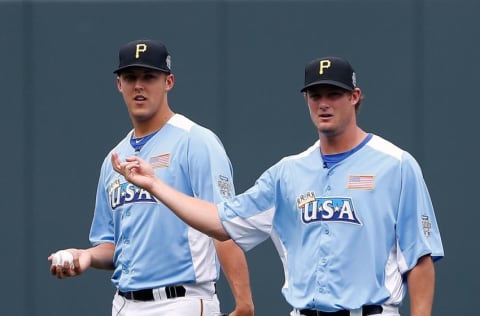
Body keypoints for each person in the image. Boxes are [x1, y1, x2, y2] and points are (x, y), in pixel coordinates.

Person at [112, 56, 444, 316]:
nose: (323, 103)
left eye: (334, 94)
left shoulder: (396, 165)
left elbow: (419, 258)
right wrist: (155, 185)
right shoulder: (288, 172)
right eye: (315, 95)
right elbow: (220, 222)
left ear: (354, 97)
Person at [49, 39, 254, 316]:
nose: (139, 85)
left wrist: (244, 304)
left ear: (168, 82)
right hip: (124, 303)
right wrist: (86, 255)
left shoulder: (196, 141)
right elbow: (113, 245)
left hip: (182, 301)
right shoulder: (114, 158)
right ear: (119, 84)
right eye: (130, 77)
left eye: (149, 76)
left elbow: (225, 226)